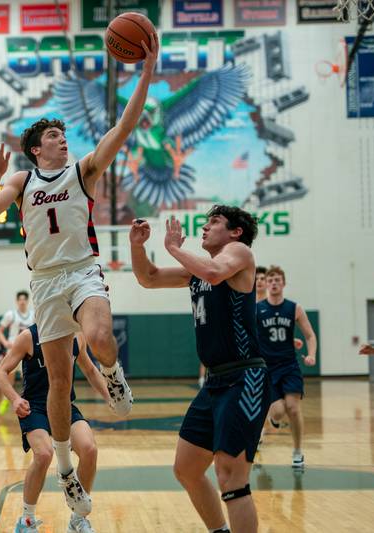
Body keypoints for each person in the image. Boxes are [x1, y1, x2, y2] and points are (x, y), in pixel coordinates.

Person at [0, 36, 158, 515]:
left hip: (81, 271)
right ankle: (64, 471)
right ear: (37, 149)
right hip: (45, 283)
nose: (63, 139)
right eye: (54, 136)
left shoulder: (84, 171)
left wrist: (144, 71)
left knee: (99, 336)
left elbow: (125, 125)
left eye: (63, 134)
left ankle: (115, 380)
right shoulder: (22, 182)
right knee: (58, 381)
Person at [130, 206, 268, 533]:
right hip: (215, 380)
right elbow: (148, 278)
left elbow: (215, 273)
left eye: (214, 223)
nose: (205, 228)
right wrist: (138, 246)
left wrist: (175, 248)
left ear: (235, 231)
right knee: (187, 468)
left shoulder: (238, 252)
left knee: (230, 477)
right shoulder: (198, 270)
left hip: (244, 377)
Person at [0, 326, 111, 533]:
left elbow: (91, 370)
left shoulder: (77, 336)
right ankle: (26, 521)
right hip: (35, 407)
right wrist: (14, 399)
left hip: (64, 405)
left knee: (89, 449)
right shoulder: (29, 337)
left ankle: (78, 519)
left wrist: (110, 397)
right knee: (44, 454)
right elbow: (1, 372)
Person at [256, 266, 317, 467]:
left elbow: (309, 334)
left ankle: (298, 451)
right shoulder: (258, 309)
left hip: (289, 366)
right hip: (268, 368)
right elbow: (255, 336)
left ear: (283, 283)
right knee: (278, 411)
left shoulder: (294, 308)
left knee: (293, 407)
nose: (273, 283)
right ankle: (273, 421)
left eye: (277, 280)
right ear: (267, 284)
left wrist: (311, 354)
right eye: (270, 279)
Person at [0, 291, 36, 414]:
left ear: (27, 301)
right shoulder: (11, 315)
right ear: (17, 301)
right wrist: (4, 342)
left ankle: (30, 403)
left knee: (28, 378)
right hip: (13, 350)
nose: (22, 301)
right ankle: (5, 399)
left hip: (28, 351)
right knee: (9, 378)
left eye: (24, 299)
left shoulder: (33, 315)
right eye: (20, 299)